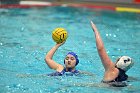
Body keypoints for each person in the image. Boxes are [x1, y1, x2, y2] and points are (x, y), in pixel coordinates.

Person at [90, 21, 134, 87]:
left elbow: (100, 49)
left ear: (118, 61)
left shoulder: (111, 70)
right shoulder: (125, 77)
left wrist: (96, 31)